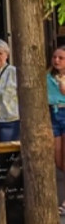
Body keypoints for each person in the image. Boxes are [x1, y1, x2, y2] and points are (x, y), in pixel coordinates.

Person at [48, 47, 65, 214]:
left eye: (61, 58)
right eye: (55, 57)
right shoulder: (48, 77)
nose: (57, 60)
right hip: (53, 114)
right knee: (58, 161)